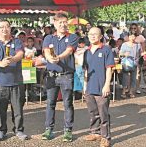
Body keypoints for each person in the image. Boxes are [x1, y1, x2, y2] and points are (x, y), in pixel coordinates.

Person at [41, 12, 78, 142]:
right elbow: (46, 52)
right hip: (51, 75)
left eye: (64, 22)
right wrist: (50, 58)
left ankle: (68, 130)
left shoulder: (73, 37)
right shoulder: (48, 38)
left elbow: (69, 51)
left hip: (66, 75)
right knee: (50, 103)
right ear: (55, 23)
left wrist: (58, 58)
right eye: (60, 22)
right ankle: (48, 129)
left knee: (67, 103)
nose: (63, 25)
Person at [0, 19, 27, 141]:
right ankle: (1, 130)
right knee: (0, 109)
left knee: (18, 109)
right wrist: (0, 63)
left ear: (10, 29)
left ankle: (19, 130)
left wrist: (13, 59)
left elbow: (20, 54)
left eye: (7, 27)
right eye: (1, 27)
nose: (4, 29)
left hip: (16, 81)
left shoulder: (17, 42)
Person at [83, 27, 115, 147]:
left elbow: (109, 69)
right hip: (90, 87)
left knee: (103, 113)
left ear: (101, 36)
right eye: (90, 34)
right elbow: (86, 70)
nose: (92, 36)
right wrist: (85, 86)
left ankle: (106, 137)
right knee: (93, 112)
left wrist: (107, 85)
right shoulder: (87, 51)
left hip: (101, 87)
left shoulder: (106, 50)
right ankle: (94, 132)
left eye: (95, 34)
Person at [119, 34, 141, 98]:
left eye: (134, 36)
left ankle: (131, 92)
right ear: (128, 37)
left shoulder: (138, 45)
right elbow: (120, 54)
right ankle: (124, 91)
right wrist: (124, 54)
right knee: (125, 77)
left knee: (133, 78)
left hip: (134, 63)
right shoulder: (124, 44)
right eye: (131, 36)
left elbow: (139, 54)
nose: (132, 38)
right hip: (126, 63)